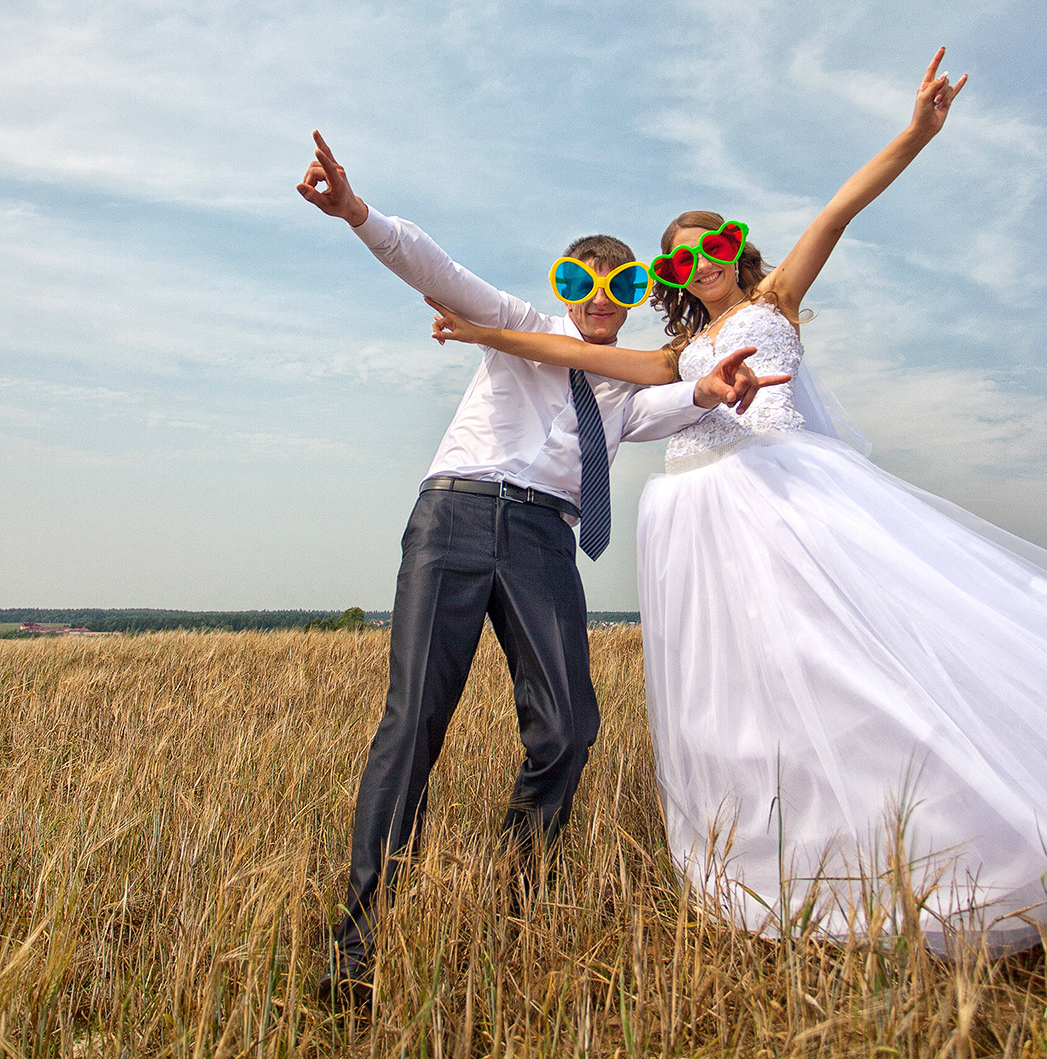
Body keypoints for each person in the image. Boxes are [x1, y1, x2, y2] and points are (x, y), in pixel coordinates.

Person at [425, 50, 1047, 954]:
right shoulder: (676, 356)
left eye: (714, 247)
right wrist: (481, 331)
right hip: (697, 528)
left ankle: (988, 824)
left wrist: (917, 132)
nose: (700, 264)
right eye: (681, 257)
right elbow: (579, 358)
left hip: (779, 502)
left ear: (739, 252)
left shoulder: (776, 298)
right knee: (751, 697)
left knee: (852, 664)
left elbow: (840, 208)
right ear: (670, 274)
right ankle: (806, 842)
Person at [295, 132, 788, 1001]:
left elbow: (686, 399)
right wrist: (355, 212)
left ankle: (511, 893)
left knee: (570, 727)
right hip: (454, 512)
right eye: (583, 284)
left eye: (624, 286)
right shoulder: (518, 329)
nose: (601, 299)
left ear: (641, 295)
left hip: (542, 539)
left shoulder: (624, 390)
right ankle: (358, 939)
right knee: (413, 724)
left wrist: (713, 390)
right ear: (564, 286)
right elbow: (433, 265)